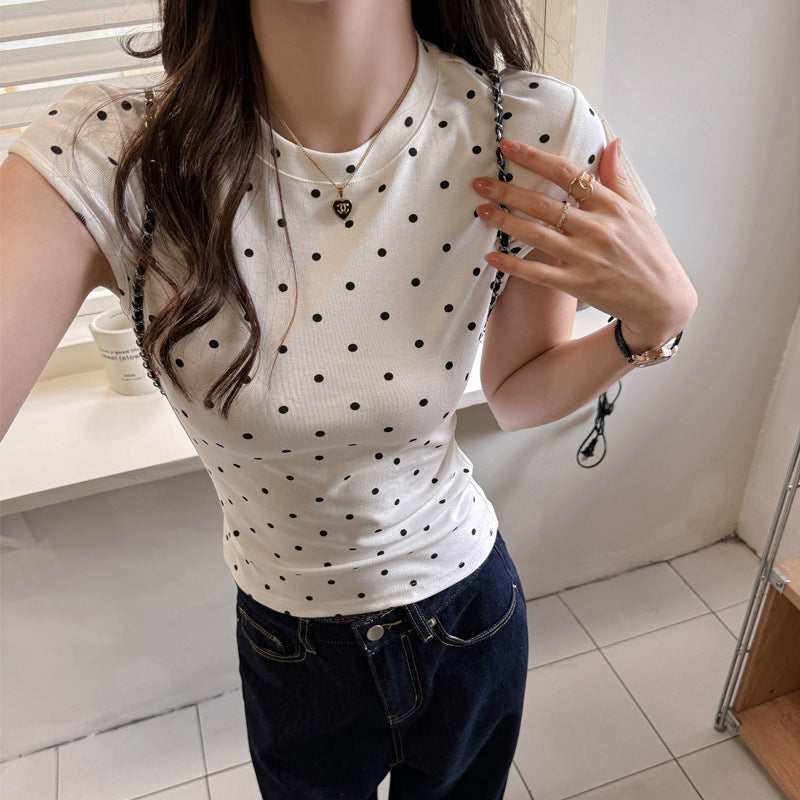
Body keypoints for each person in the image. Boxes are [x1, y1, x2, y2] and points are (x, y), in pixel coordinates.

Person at [0, 0, 697, 797]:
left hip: (469, 613)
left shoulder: (529, 130)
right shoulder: (107, 157)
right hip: (290, 647)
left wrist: (651, 329)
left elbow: (515, 393)